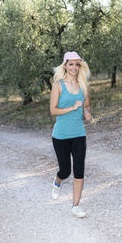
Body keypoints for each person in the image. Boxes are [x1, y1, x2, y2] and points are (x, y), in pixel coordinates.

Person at [49, 51, 92, 218]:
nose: (74, 67)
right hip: (60, 135)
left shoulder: (84, 86)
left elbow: (86, 106)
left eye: (77, 64)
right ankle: (57, 182)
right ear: (65, 65)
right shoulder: (58, 85)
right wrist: (73, 108)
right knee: (65, 170)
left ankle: (75, 206)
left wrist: (87, 114)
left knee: (79, 169)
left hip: (79, 134)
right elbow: (53, 111)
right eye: (71, 64)